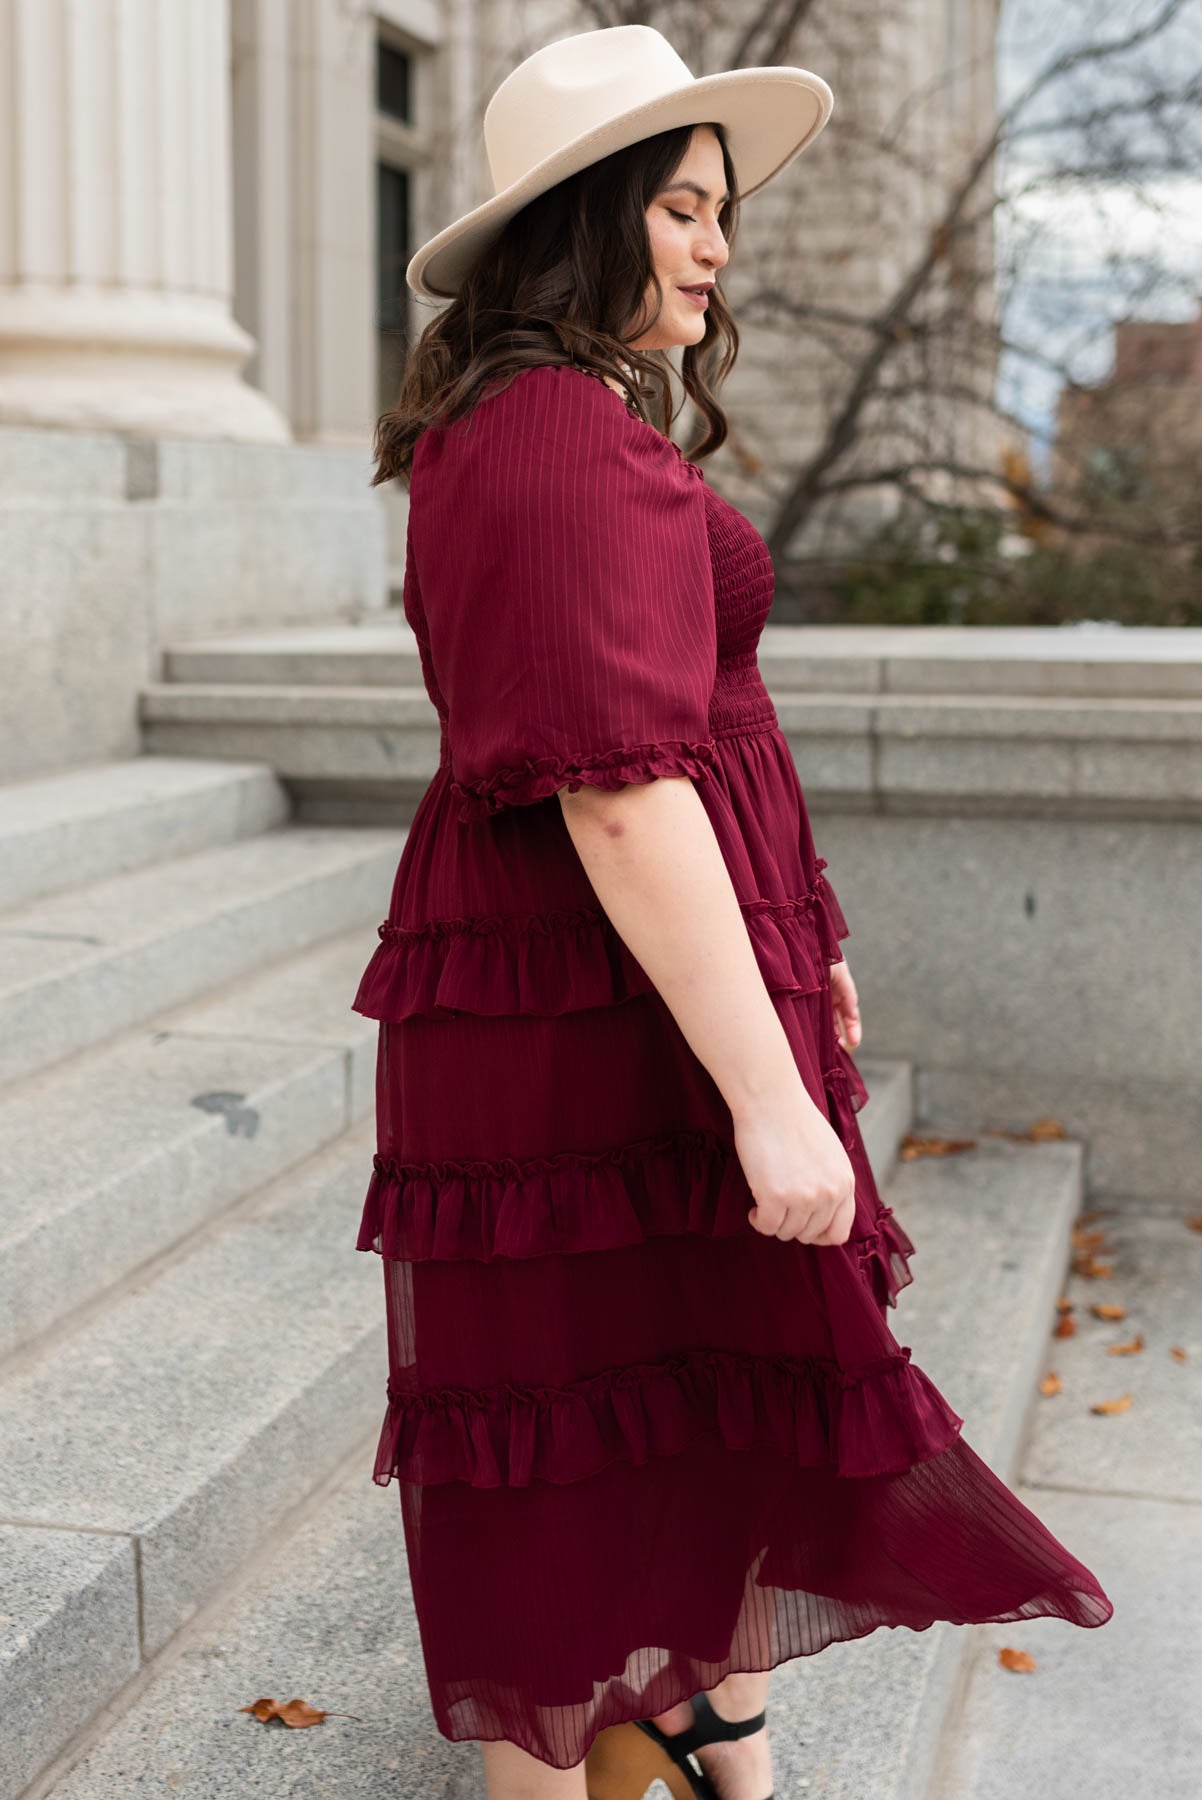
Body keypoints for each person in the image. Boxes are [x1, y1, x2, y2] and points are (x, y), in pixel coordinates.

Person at [352, 24, 1115, 1800]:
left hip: (638, 985)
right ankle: (608, 1756)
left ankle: (695, 1717)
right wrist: (766, 1095)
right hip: (597, 1007)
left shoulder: (560, 419)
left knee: (661, 1399)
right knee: (589, 1427)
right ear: (585, 222)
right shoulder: (547, 433)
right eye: (681, 209)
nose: (713, 245)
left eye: (719, 213)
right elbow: (622, 793)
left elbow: (695, 719)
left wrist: (809, 942)